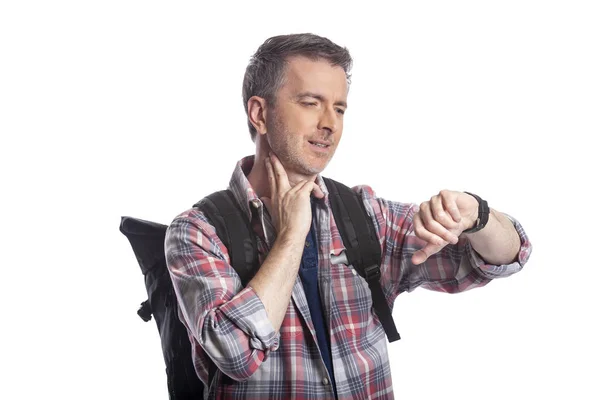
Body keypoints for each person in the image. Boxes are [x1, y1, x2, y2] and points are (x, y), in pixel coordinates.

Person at [165, 33, 532, 400]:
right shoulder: (198, 232)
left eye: (339, 109)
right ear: (259, 113)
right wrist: (292, 236)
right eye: (311, 103)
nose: (330, 124)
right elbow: (235, 352)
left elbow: (499, 258)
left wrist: (476, 215)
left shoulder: (365, 216)